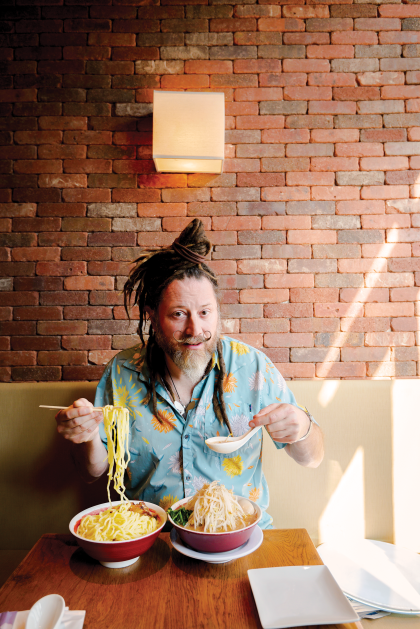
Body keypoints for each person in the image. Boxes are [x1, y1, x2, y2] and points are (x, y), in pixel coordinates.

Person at [56, 219, 324, 528]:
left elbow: (312, 458)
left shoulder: (252, 368)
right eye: (179, 314)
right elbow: (92, 472)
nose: (195, 330)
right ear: (153, 317)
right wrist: (87, 436)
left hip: (236, 537)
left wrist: (302, 428)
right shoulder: (123, 373)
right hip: (152, 538)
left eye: (205, 313)